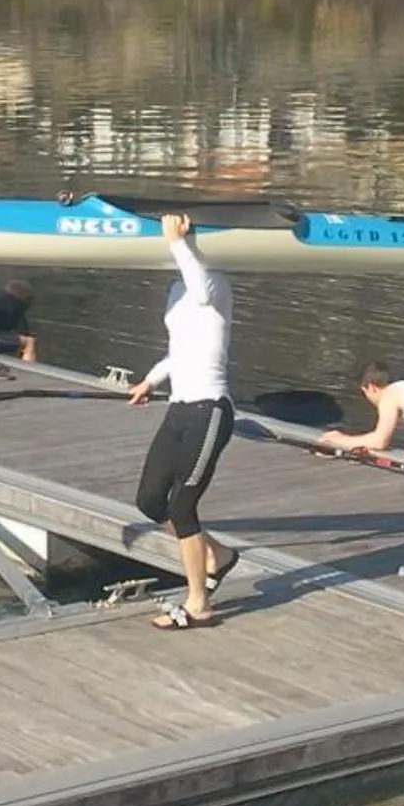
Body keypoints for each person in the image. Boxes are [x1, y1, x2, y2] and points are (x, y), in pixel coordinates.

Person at [125, 213, 239, 630]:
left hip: (211, 409)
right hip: (179, 407)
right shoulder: (177, 289)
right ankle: (220, 556)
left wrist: (177, 241)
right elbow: (181, 348)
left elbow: (202, 295)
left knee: (182, 505)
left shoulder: (215, 284)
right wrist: (150, 380)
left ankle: (198, 603)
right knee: (151, 502)